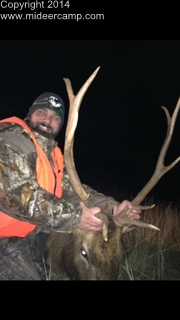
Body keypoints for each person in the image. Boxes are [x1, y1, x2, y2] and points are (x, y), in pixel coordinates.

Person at [0, 92, 141, 280]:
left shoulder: (51, 156)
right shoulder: (10, 138)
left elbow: (72, 190)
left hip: (26, 230)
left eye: (55, 117)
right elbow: (20, 198)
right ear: (30, 114)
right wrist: (76, 218)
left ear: (60, 124)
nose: (47, 119)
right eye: (42, 112)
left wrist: (113, 207)